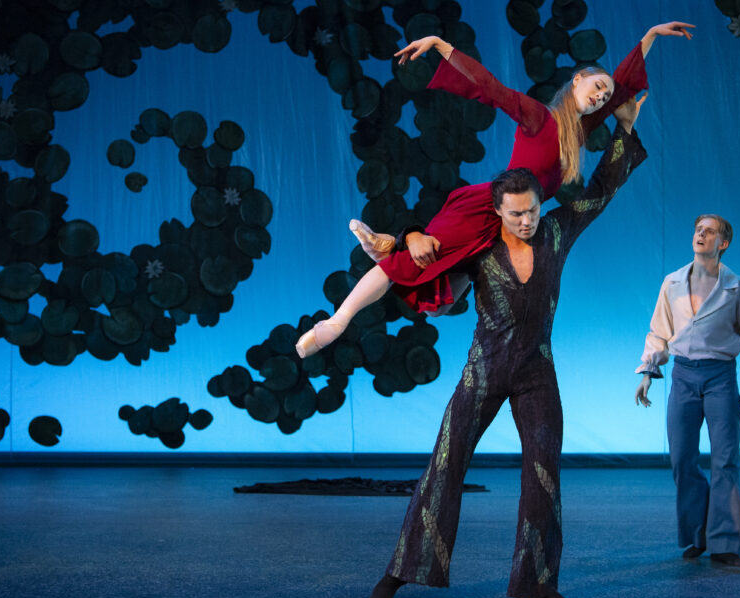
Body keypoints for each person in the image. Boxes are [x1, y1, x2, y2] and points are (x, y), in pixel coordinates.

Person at [368, 94, 649, 598]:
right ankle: (403, 571)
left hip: (537, 369)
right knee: (445, 463)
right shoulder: (477, 248)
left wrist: (624, 133)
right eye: (516, 213)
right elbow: (440, 290)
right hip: (484, 367)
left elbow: (604, 190)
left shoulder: (558, 231)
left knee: (543, 469)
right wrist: (408, 236)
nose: (526, 221)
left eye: (533, 210)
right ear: (497, 210)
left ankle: (538, 581)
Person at [295, 21, 694, 358]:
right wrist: (440, 45)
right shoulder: (540, 117)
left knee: (442, 304)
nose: (602, 97)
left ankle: (389, 243)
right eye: (596, 86)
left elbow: (623, 84)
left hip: (515, 226)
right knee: (412, 265)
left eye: (604, 96)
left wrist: (650, 36)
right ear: (576, 81)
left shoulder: (577, 133)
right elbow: (490, 87)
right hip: (489, 209)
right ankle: (337, 321)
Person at [634, 215, 740, 567]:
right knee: (682, 458)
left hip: (719, 377)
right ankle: (697, 533)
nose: (701, 234)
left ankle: (725, 542)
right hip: (683, 375)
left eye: (709, 231)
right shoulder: (672, 282)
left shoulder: (737, 287)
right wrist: (649, 371)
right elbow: (659, 331)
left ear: (722, 243)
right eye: (698, 229)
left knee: (725, 459)